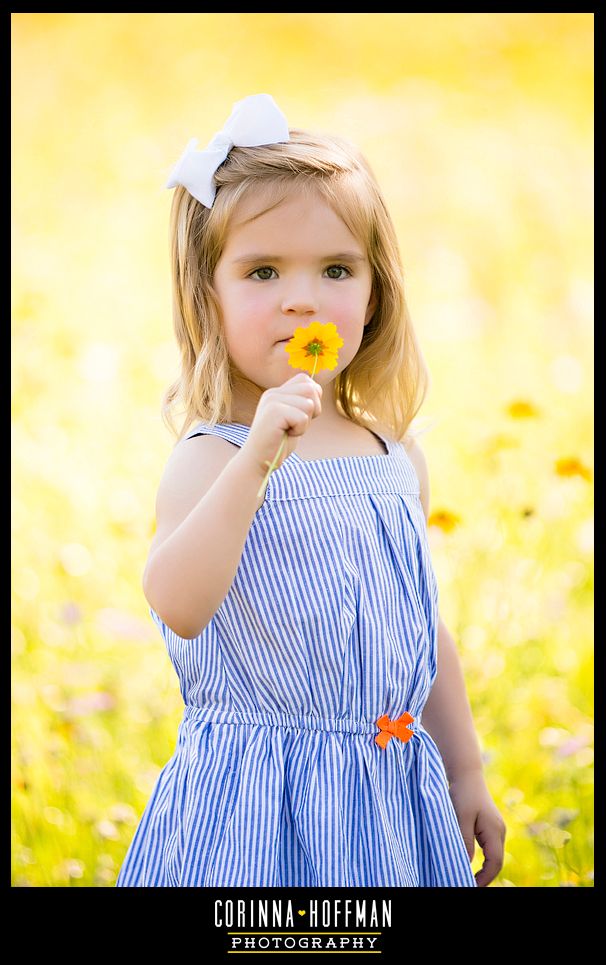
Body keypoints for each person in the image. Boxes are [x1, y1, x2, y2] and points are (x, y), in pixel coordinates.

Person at [116, 93, 506, 888]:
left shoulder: (388, 453)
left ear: (374, 292)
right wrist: (256, 460)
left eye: (336, 269)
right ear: (210, 295)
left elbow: (419, 626)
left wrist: (465, 769)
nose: (303, 298)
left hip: (388, 789)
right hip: (258, 801)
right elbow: (177, 601)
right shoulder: (212, 456)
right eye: (263, 271)